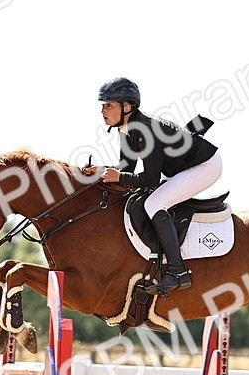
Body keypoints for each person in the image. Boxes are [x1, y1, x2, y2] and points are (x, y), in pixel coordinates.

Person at [82, 77, 222, 292]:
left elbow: (149, 179)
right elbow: (126, 168)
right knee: (149, 199)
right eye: (103, 105)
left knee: (154, 203)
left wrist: (116, 177)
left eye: (109, 105)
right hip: (184, 167)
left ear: (126, 107)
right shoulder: (126, 127)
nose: (103, 110)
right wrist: (102, 172)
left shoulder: (143, 129)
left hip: (205, 166)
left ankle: (178, 271)